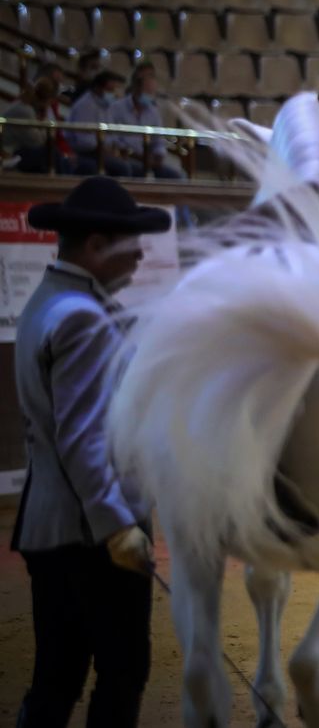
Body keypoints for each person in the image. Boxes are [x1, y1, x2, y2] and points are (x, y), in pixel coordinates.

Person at [11, 176, 171, 728]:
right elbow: (84, 439)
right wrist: (116, 527)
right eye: (131, 241)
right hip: (92, 538)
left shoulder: (52, 302)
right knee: (122, 674)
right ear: (97, 245)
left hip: (53, 528)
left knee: (56, 680)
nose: (142, 252)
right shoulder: (82, 316)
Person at [107, 63, 184, 180]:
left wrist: (158, 156)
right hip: (127, 158)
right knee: (133, 170)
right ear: (136, 87)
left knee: (176, 175)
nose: (149, 95)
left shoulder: (153, 111)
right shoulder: (117, 108)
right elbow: (113, 140)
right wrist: (137, 156)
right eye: (146, 91)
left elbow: (158, 141)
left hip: (149, 160)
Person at [68, 71, 132, 177]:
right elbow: (83, 141)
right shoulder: (85, 106)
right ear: (98, 88)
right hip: (86, 153)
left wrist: (117, 148)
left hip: (104, 152)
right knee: (123, 168)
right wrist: (104, 148)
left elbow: (112, 134)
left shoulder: (107, 106)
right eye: (109, 90)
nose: (113, 94)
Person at [3, 78, 74, 174]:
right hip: (9, 154)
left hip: (19, 150)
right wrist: (44, 119)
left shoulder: (28, 108)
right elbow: (37, 141)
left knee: (61, 159)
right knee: (50, 153)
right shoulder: (24, 111)